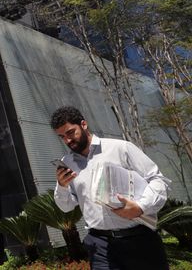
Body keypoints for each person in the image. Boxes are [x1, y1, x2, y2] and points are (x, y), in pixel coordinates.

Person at [51, 105, 170, 270]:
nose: (68, 140)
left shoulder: (121, 148)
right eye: (62, 136)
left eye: (71, 132)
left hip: (140, 239)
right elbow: (65, 207)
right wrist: (62, 187)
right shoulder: (68, 163)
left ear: (83, 124)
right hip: (100, 245)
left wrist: (141, 207)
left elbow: (157, 179)